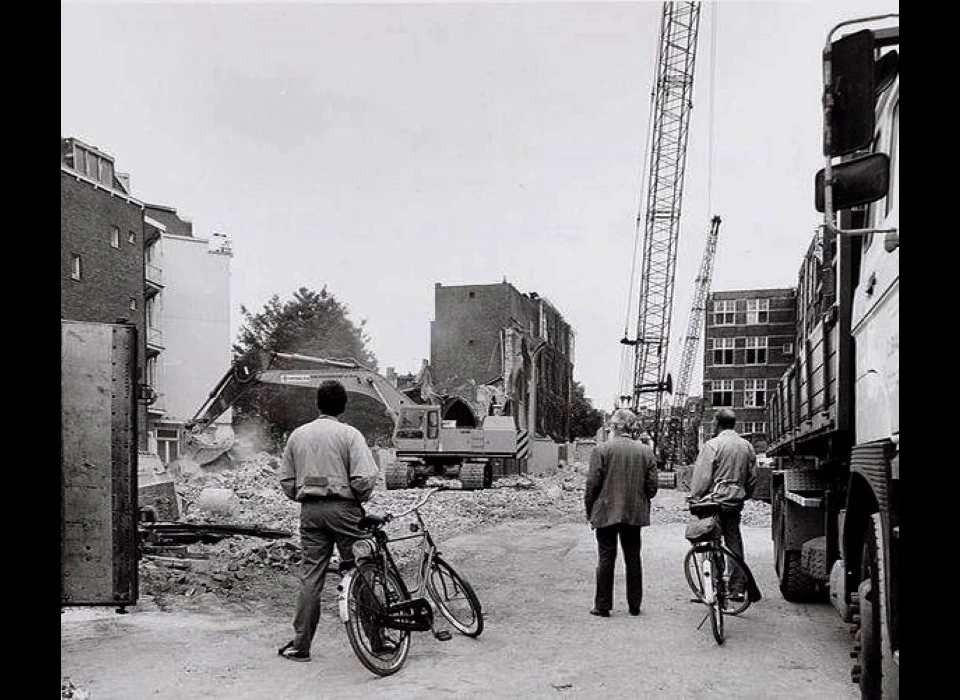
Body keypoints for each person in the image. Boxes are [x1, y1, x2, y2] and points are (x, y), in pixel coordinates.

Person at [276, 379, 381, 662]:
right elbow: (363, 478)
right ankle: (377, 641)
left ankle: (301, 646)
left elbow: (286, 480)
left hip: (310, 512)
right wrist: (359, 496)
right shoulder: (350, 435)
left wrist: (305, 494)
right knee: (362, 569)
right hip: (345, 511)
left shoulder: (298, 435)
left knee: (310, 577)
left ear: (318, 404)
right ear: (343, 406)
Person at [584, 408, 659, 617]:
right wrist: (640, 498)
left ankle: (603, 605)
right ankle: (634, 605)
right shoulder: (645, 451)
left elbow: (592, 485)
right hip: (634, 513)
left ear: (615, 427)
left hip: (606, 512)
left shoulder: (601, 450)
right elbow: (652, 486)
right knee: (633, 558)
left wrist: (591, 512)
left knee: (606, 558)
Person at [689, 407, 759, 601]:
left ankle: (714, 588)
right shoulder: (747, 446)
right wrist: (743, 495)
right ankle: (736, 588)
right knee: (734, 541)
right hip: (734, 502)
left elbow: (703, 477)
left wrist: (695, 497)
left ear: (717, 423)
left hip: (713, 502)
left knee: (711, 540)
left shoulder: (713, 445)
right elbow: (753, 478)